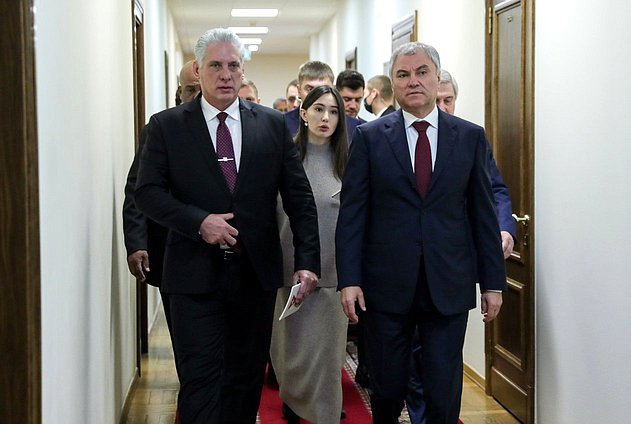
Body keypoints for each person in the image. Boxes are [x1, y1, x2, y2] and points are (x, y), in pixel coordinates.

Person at [135, 28, 320, 424]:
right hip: (191, 276)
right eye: (215, 65)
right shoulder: (167, 126)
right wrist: (198, 221)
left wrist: (307, 261)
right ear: (198, 71)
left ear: (242, 72)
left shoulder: (271, 125)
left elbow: (300, 198)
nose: (225, 74)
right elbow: (147, 193)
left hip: (254, 276)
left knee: (244, 378)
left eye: (233, 65)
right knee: (201, 380)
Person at [335, 41, 506, 424]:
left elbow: (482, 214)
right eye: (403, 74)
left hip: (448, 283)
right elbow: (353, 215)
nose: (413, 81)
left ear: (436, 77)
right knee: (388, 387)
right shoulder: (371, 137)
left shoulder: (469, 137)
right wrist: (350, 280)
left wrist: (492, 282)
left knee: (443, 388)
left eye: (422, 72)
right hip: (386, 287)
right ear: (393, 84)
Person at [404, 69, 517, 424]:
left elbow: (494, 190)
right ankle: (419, 412)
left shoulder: (469, 139)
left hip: (453, 269)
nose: (442, 106)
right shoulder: (392, 136)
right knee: (409, 357)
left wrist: (504, 227)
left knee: (443, 362)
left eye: (447, 100)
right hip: (403, 271)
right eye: (437, 100)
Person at [271, 85, 349, 424]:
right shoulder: (286, 157)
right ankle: (293, 399)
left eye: (333, 112)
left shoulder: (349, 160)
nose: (325, 118)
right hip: (291, 266)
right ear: (303, 113)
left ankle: (325, 410)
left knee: (329, 352)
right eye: (318, 109)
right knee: (292, 347)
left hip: (335, 270)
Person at [123, 59, 200, 335]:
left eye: (203, 90)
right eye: (191, 90)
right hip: (171, 251)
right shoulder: (159, 129)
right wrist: (136, 243)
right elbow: (136, 188)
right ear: (179, 92)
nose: (197, 97)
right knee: (185, 336)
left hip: (224, 251)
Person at [284, 61, 361, 141]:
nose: (317, 95)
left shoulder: (354, 127)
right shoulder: (282, 124)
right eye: (310, 89)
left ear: (333, 90)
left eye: (324, 89)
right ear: (299, 91)